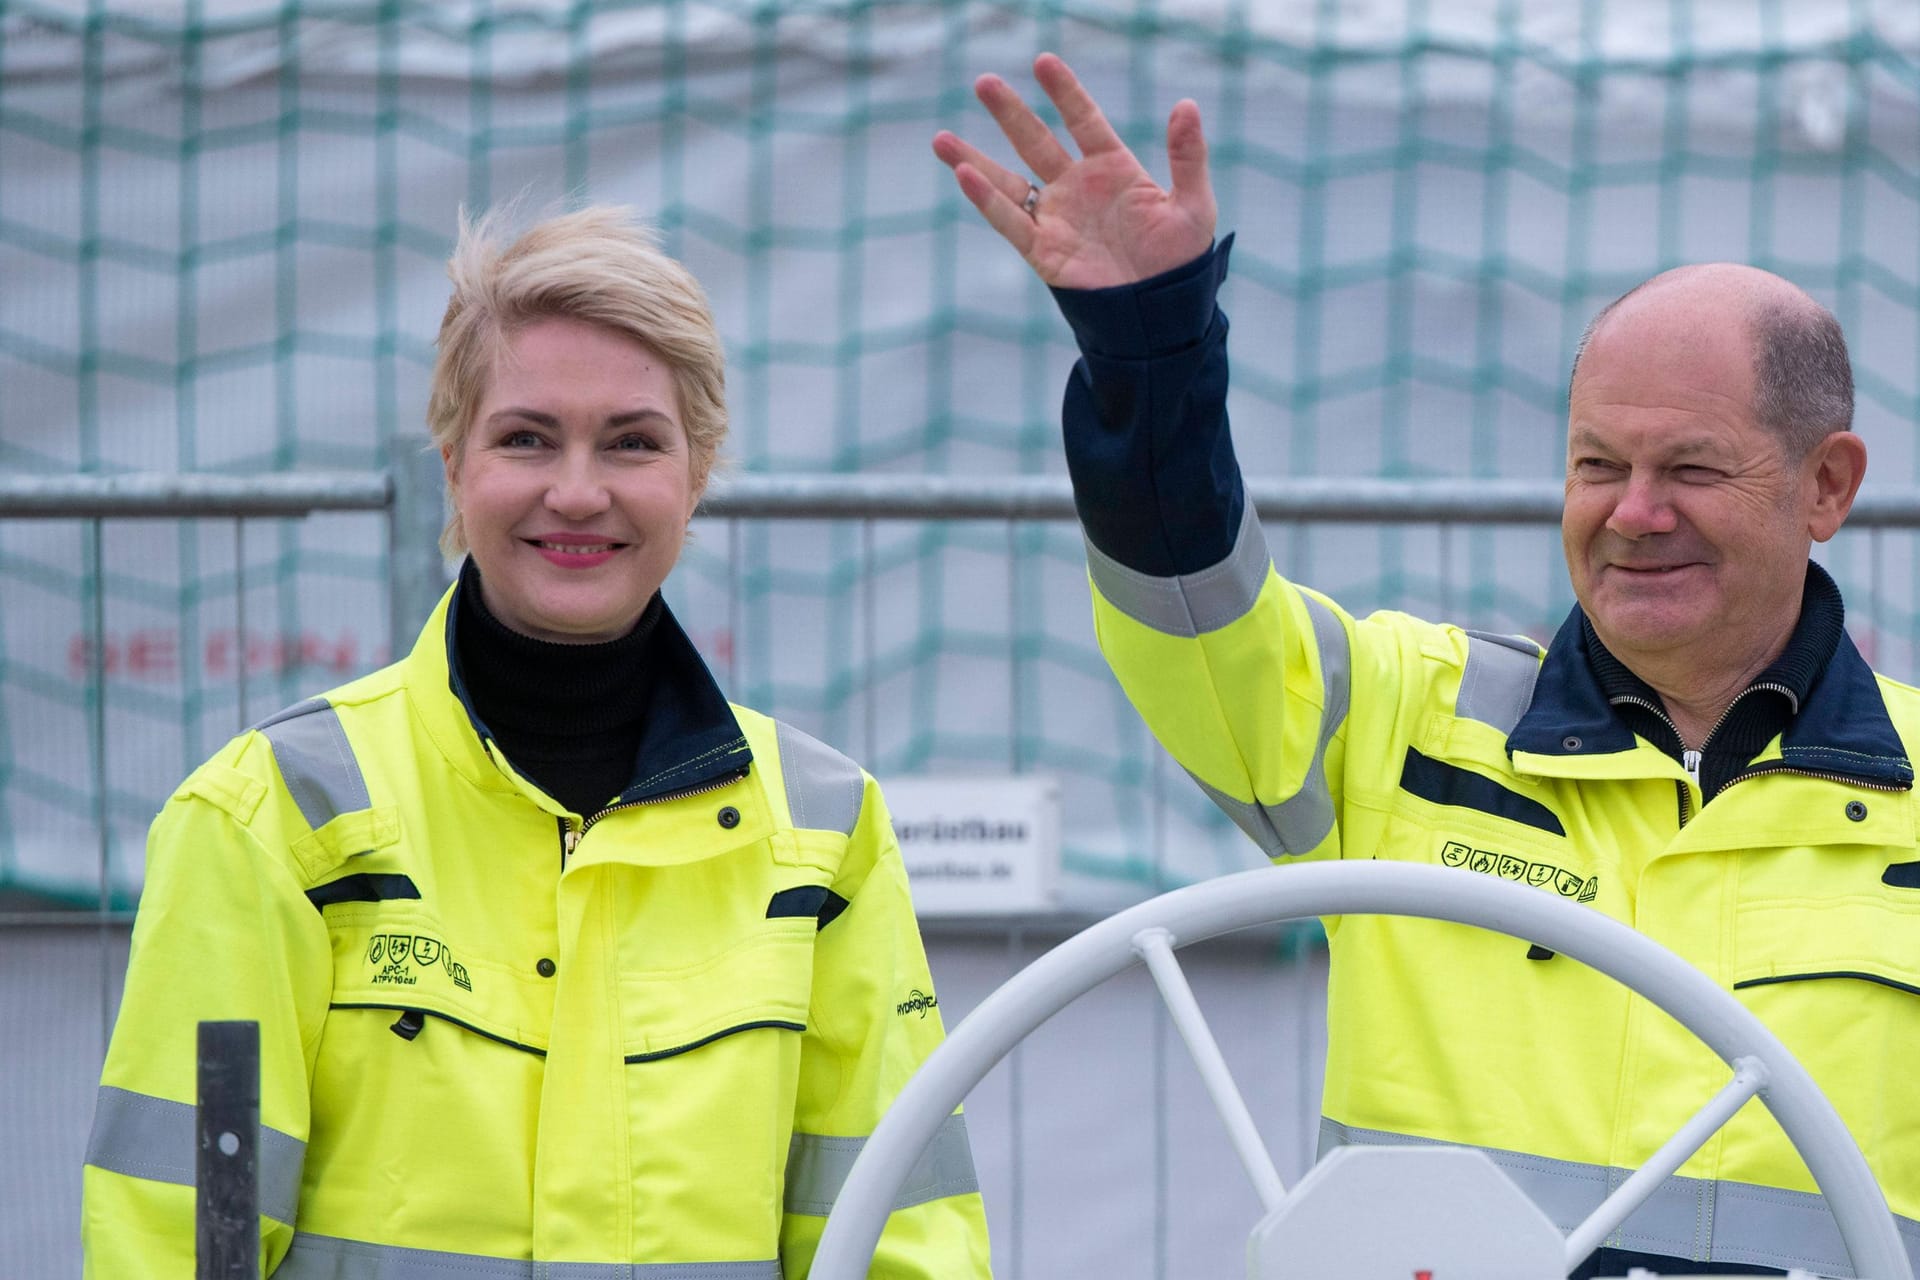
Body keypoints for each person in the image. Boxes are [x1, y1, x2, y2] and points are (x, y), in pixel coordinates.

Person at [936, 54, 1918, 1278]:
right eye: (1598, 465)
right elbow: (1189, 608)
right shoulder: (1396, 726)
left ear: (1828, 486)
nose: (1634, 513)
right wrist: (1150, 357)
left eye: (1693, 469)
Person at [80, 206, 992, 1278]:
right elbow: (180, 1243)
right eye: (525, 437)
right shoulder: (271, 816)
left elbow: (902, 1239)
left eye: (632, 441)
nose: (576, 490)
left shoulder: (824, 831)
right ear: (454, 461)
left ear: (696, 474)